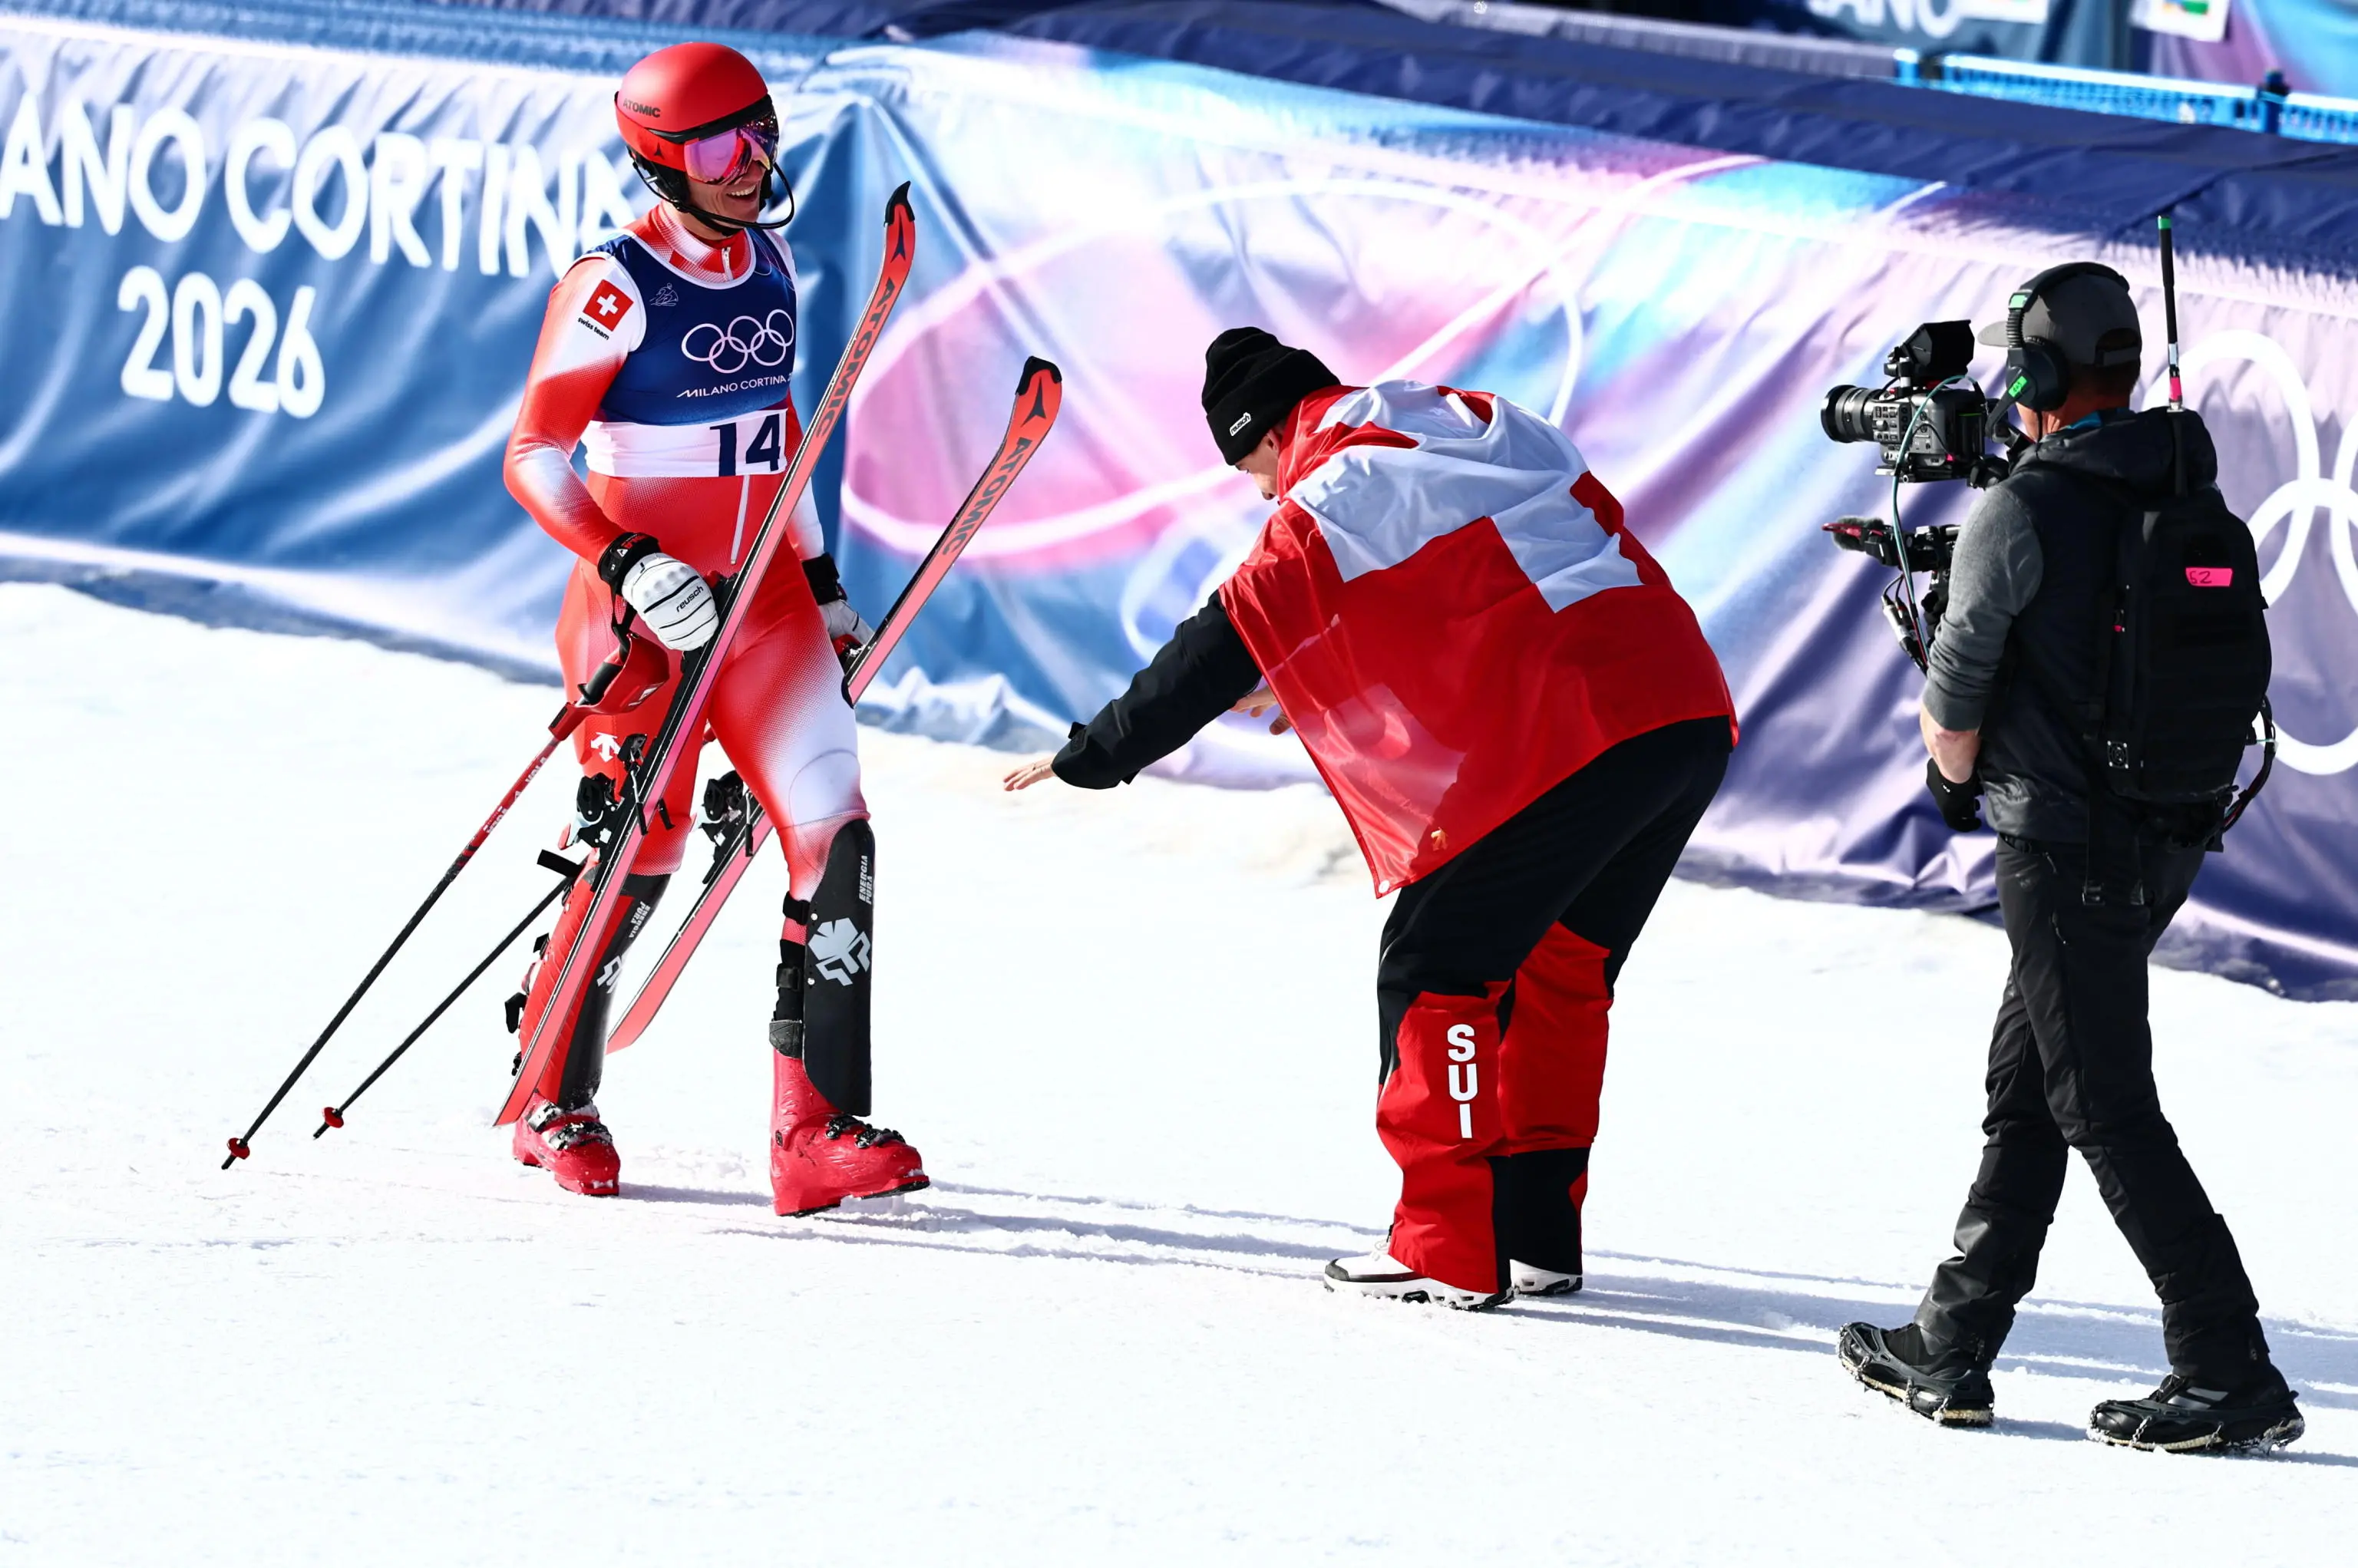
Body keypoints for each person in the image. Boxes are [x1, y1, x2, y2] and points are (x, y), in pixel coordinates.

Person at [1003, 328, 1735, 1309]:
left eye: (1253, 475)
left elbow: (1218, 639)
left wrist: (1094, 754)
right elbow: (1489, 566)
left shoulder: (1337, 480)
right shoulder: (1470, 417)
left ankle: (1446, 1242)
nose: (1265, 497)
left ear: (1260, 437)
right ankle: (1536, 1236)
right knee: (1560, 964)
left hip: (1578, 731)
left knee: (1437, 963)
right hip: (1681, 711)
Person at [1836, 263, 2302, 1451]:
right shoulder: (2183, 486)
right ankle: (1956, 1337)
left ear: (2034, 375)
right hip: (2169, 829)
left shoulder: (2021, 510)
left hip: (2065, 840)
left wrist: (1952, 778)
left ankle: (2227, 1362)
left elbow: (1955, 711)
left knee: (2099, 1098)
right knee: (2031, 1080)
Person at [498, 41, 925, 1214]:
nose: (754, 164)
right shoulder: (613, 285)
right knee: (642, 843)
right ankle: (552, 1092)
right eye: (724, 147)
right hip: (646, 616)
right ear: (658, 160)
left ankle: (817, 1128)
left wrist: (824, 578)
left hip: (766, 604)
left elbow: (783, 432)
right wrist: (628, 562)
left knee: (838, 834)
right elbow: (533, 456)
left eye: (765, 133)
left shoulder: (772, 259)